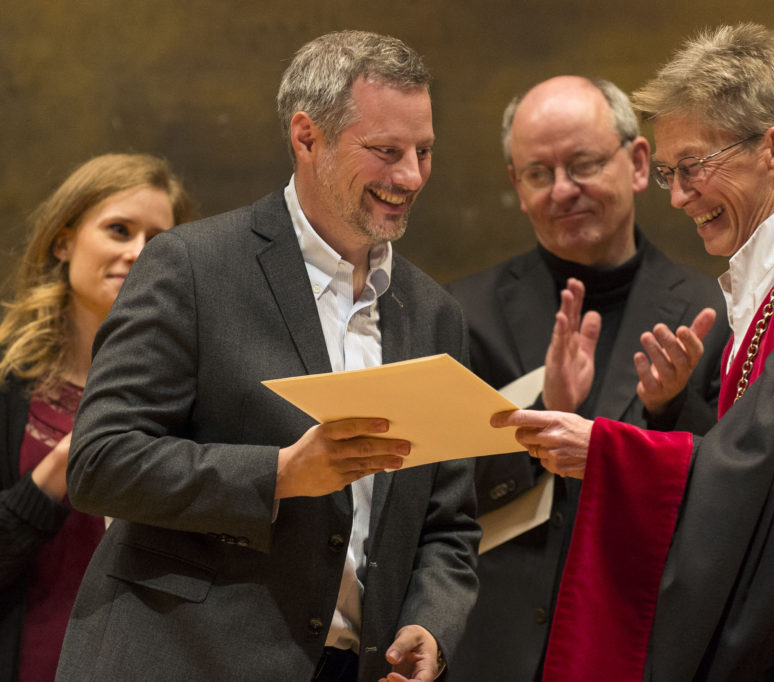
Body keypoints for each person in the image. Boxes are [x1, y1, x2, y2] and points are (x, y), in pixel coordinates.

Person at [493, 24, 774, 681]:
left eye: (694, 167)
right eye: (670, 175)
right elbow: (761, 476)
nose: (677, 197)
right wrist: (673, 412)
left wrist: (613, 454)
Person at [56, 31, 479, 682]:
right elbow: (98, 463)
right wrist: (279, 473)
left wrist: (431, 623)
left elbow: (449, 524)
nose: (412, 177)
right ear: (307, 137)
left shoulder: (434, 314)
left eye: (423, 152)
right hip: (182, 659)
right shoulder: (191, 266)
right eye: (386, 152)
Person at [446, 75, 728, 681]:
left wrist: (669, 411)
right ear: (517, 188)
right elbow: (433, 498)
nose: (563, 191)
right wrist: (546, 411)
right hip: (494, 651)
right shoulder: (462, 315)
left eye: (583, 164)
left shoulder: (713, 312)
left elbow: (737, 493)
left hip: (643, 645)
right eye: (538, 174)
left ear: (637, 162)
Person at [0, 153, 192, 681]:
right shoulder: (6, 378)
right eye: (119, 230)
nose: (138, 253)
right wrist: (67, 461)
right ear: (63, 241)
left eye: (158, 241)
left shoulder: (191, 388)